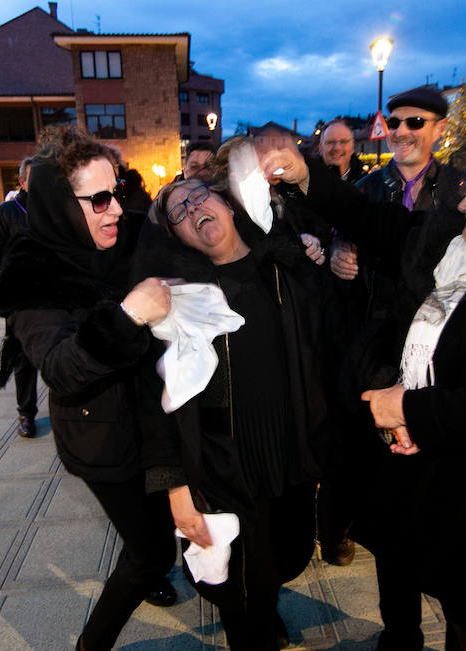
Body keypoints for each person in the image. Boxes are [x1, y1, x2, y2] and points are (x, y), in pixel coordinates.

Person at [264, 131, 466, 650]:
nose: (465, 201)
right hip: (400, 454)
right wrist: (307, 177)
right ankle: (400, 639)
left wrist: (410, 409)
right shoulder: (452, 238)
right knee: (395, 557)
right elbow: (376, 222)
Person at [0, 125, 178, 650]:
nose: (115, 208)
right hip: (104, 440)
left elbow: (211, 241)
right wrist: (127, 316)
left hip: (162, 420)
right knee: (151, 552)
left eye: (115, 192)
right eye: (98, 199)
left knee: (170, 532)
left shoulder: (134, 235)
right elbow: (61, 368)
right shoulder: (29, 275)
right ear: (58, 205)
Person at [138, 176, 336, 651]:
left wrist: (325, 252)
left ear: (226, 203)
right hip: (224, 456)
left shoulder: (286, 265)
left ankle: (262, 609)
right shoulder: (177, 299)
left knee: (287, 553)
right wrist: (177, 487)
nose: (192, 210)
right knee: (244, 577)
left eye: (199, 197)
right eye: (178, 212)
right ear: (175, 235)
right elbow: (156, 401)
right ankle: (250, 625)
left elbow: (333, 343)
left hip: (291, 446)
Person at [321, 86, 466, 567]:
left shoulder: (461, 191)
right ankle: (338, 527)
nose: (401, 131)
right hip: (372, 332)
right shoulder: (366, 188)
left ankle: (408, 527)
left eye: (415, 122)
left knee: (418, 436)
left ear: (439, 128)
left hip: (434, 332)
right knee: (355, 436)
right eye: (395, 122)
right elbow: (340, 239)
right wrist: (338, 251)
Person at [0, 158, 39, 438]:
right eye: (34, 178)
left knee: (59, 354)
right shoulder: (7, 212)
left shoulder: (56, 209)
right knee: (23, 359)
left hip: (53, 298)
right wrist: (7, 287)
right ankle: (26, 413)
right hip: (20, 302)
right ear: (22, 182)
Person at [318, 119, 365, 183]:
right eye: (330, 142)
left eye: (343, 142)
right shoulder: (306, 184)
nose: (337, 148)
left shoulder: (367, 184)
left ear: (352, 146)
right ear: (320, 147)